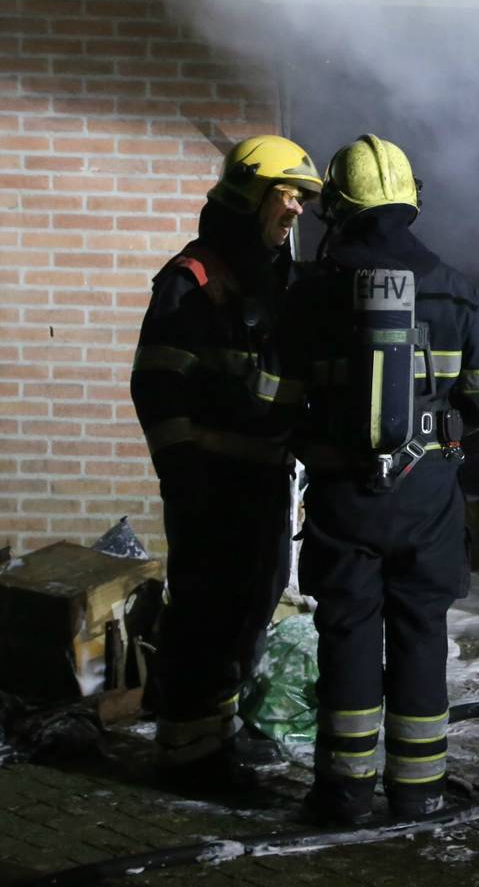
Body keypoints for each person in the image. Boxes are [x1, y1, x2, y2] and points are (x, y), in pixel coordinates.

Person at [276, 134, 479, 824]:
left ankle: (343, 796)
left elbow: (272, 400)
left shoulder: (310, 294)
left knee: (348, 633)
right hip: (428, 495)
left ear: (339, 208)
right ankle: (419, 795)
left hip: (342, 495)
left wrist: (317, 441)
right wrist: (445, 429)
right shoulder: (454, 289)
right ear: (410, 202)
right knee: (420, 632)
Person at [130, 135, 322, 788]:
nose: (297, 209)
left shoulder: (270, 280)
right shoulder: (192, 283)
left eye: (304, 198)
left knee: (249, 609)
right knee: (206, 615)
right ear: (248, 193)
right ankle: (188, 759)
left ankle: (218, 737)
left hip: (263, 480)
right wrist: (182, 477)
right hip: (211, 483)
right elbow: (157, 386)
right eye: (287, 194)